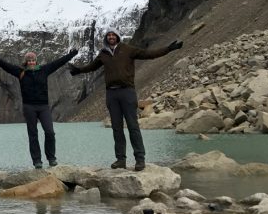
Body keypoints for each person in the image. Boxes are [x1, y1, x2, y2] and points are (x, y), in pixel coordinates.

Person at [68, 28, 183, 171]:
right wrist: (78, 70)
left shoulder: (128, 49)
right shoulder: (103, 54)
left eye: (113, 34)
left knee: (133, 126)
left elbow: (148, 54)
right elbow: (92, 67)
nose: (111, 37)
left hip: (127, 92)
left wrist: (168, 49)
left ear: (117, 36)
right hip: (111, 94)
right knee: (117, 128)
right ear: (106, 38)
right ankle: (120, 160)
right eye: (108, 35)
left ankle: (140, 159)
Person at [0, 47, 78, 169]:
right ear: (26, 62)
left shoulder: (44, 70)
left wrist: (71, 54)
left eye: (33, 60)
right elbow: (3, 64)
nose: (31, 62)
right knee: (33, 134)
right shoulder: (20, 72)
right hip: (29, 107)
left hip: (43, 106)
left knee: (50, 132)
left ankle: (51, 158)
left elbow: (59, 62)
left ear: (36, 61)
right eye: (29, 61)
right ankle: (37, 161)